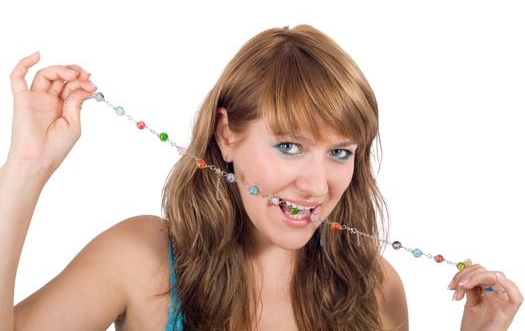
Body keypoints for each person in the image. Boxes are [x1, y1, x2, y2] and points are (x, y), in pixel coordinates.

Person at [0, 25, 522, 331]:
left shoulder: (375, 286)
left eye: (339, 152)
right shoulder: (142, 258)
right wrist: (27, 166)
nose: (317, 186)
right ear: (227, 135)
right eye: (290, 146)